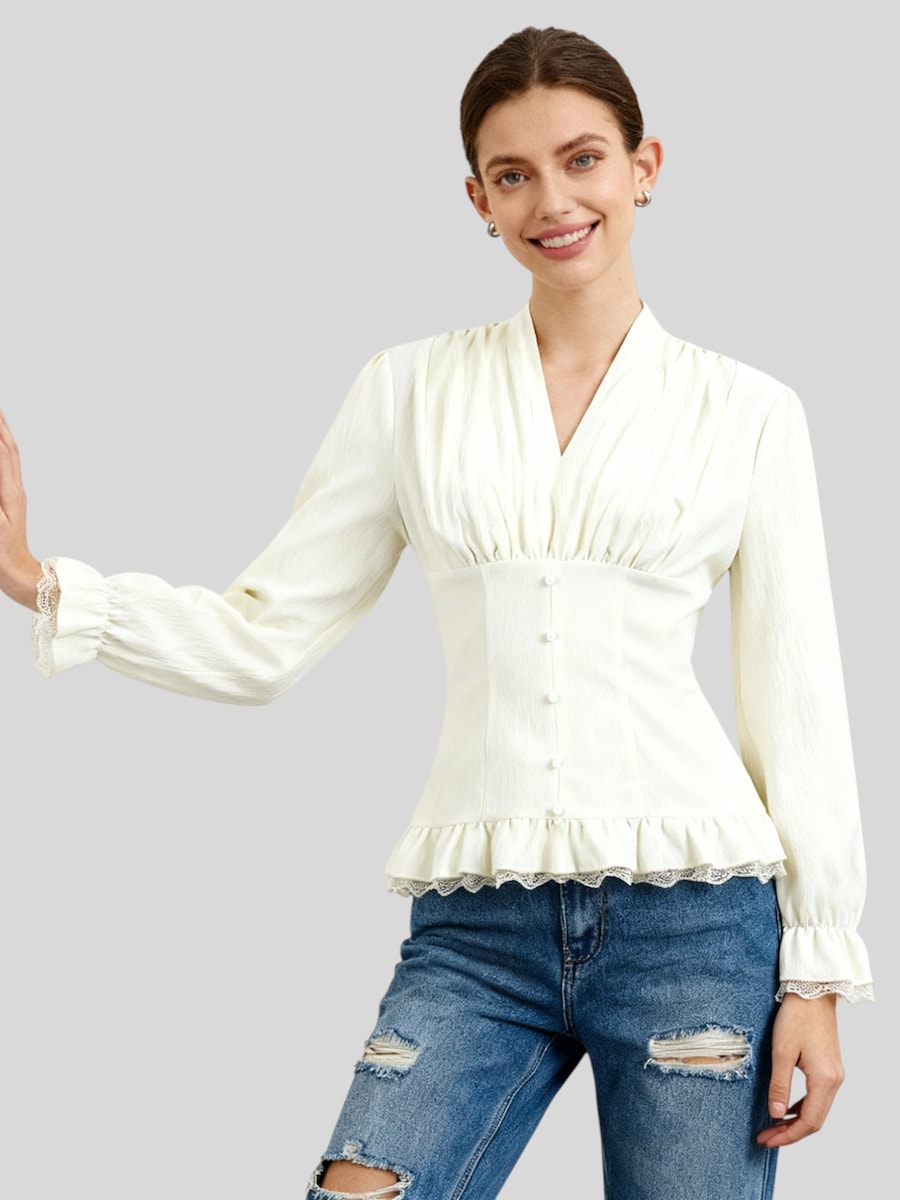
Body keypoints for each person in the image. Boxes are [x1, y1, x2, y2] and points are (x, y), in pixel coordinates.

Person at [0, 24, 872, 1200]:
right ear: (478, 199)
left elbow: (795, 698)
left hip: (697, 925)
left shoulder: (750, 412)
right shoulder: (408, 391)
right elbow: (265, 634)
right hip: (479, 930)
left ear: (644, 167)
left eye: (582, 160)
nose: (552, 201)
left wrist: (815, 974)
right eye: (513, 174)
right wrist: (41, 581)